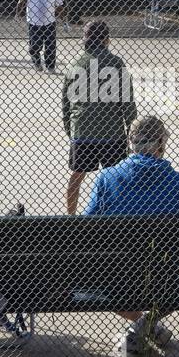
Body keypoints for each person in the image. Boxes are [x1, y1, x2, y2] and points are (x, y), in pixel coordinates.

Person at [84, 115, 179, 355]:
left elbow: (87, 228)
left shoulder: (106, 179)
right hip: (170, 280)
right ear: (161, 143)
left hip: (116, 278)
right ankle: (146, 326)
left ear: (130, 143)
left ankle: (140, 327)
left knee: (94, 271)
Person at [62, 20, 136, 214]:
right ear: (106, 40)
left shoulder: (75, 63)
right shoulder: (116, 63)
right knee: (118, 176)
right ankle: (118, 215)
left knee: (77, 176)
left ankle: (71, 217)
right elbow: (127, 100)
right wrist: (131, 128)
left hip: (83, 129)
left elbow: (66, 102)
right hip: (112, 132)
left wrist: (70, 130)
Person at [16, 0, 64, 72]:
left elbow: (60, 6)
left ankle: (50, 66)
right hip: (34, 22)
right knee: (35, 46)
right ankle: (37, 62)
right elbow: (21, 1)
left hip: (49, 23)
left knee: (50, 46)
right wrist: (19, 13)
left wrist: (61, 17)